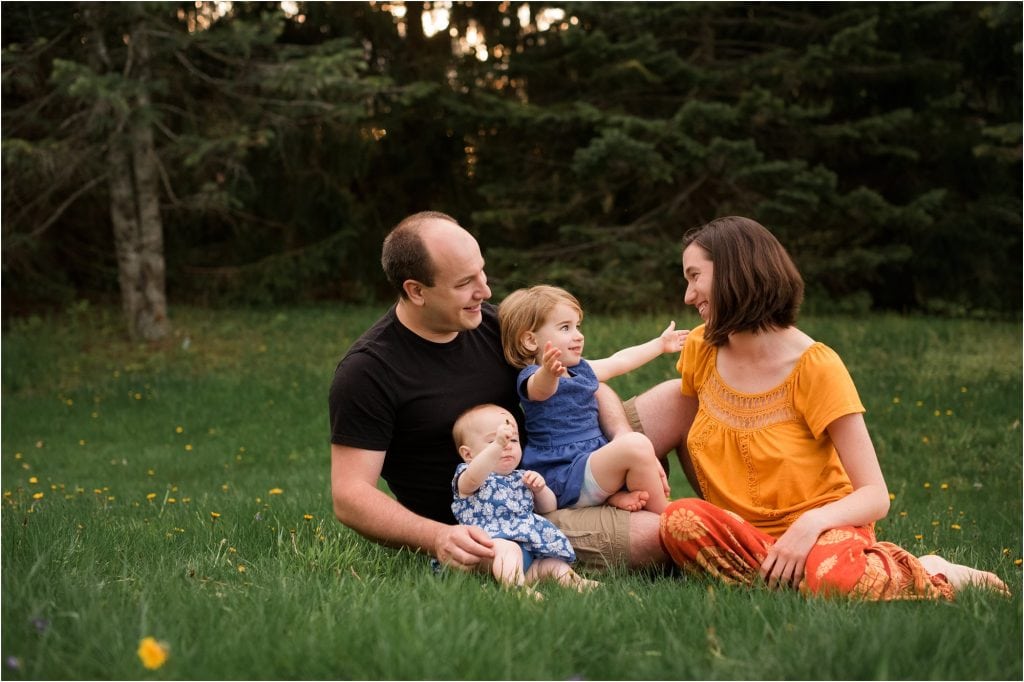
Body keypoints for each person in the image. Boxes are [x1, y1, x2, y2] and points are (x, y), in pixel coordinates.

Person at [658, 215, 1010, 599]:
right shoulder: (700, 349)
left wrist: (811, 525)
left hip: (826, 528)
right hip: (746, 535)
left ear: (733, 272)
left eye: (695, 277)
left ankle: (928, 571)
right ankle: (798, 579)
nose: (689, 296)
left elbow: (874, 494)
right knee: (680, 520)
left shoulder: (815, 366)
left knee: (832, 579)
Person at [329, 211, 674, 572]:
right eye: (465, 282)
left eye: (482, 271)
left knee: (677, 397)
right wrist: (436, 537)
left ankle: (730, 506)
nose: (486, 290)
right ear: (416, 290)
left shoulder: (492, 323)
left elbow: (586, 379)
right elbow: (350, 496)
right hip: (508, 515)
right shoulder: (368, 372)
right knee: (660, 536)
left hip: (561, 453)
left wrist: (620, 435)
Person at [498, 285, 685, 514]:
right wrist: (548, 372)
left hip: (590, 463)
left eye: (577, 326)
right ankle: (665, 516)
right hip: (564, 474)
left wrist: (660, 345)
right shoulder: (532, 377)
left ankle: (619, 498)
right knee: (636, 445)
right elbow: (541, 390)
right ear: (530, 341)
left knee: (634, 447)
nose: (579, 335)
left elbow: (619, 361)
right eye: (565, 328)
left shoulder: (580, 370)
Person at [450, 403, 599, 595]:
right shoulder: (469, 476)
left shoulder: (521, 477)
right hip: (486, 551)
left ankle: (577, 583)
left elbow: (548, 509)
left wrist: (540, 489)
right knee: (508, 549)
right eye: (494, 441)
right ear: (468, 454)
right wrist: (498, 445)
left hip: (526, 553)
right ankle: (515, 589)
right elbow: (473, 478)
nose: (507, 446)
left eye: (513, 440)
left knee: (552, 564)